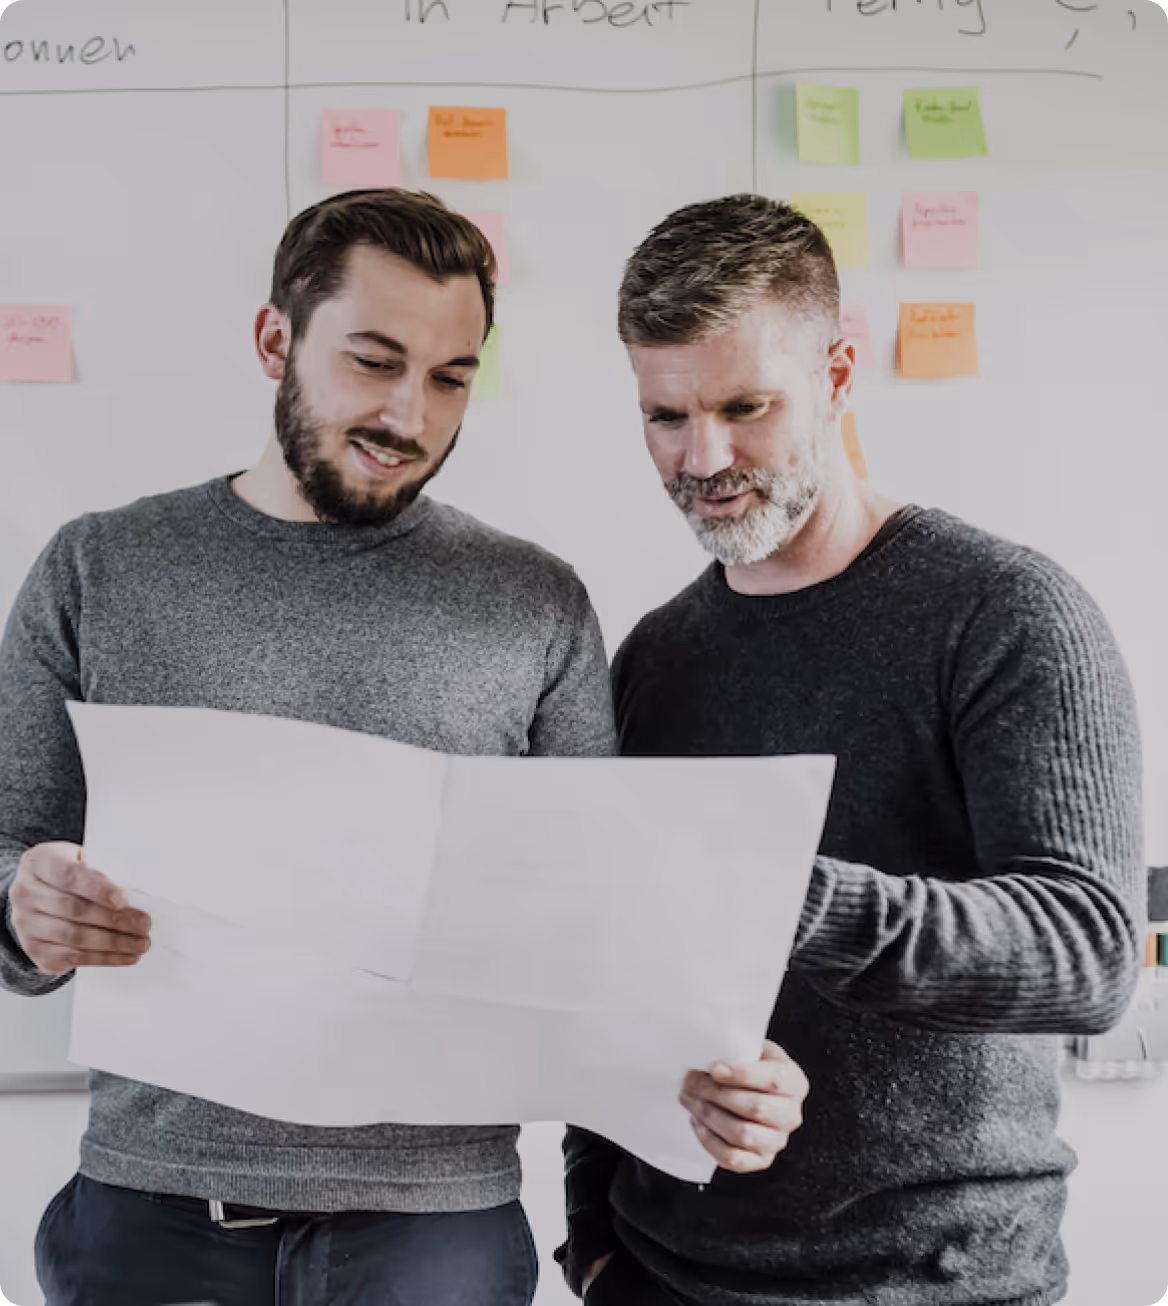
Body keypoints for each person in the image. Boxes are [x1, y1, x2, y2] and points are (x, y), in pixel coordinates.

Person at [0, 187, 808, 1306]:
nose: (408, 415)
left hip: (434, 1238)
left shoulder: (533, 602)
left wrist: (717, 1064)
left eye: (449, 378)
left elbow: (603, 930)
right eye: (372, 361)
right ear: (275, 338)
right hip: (152, 1217)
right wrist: (26, 905)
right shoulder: (99, 568)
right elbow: (10, 856)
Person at [556, 193, 1145, 1306]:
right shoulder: (652, 659)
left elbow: (1092, 952)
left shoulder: (1005, 614)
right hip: (661, 1275)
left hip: (939, 1283)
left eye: (745, 406)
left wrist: (779, 891)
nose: (704, 457)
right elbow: (616, 977)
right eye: (664, 416)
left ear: (837, 372)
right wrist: (588, 1242)